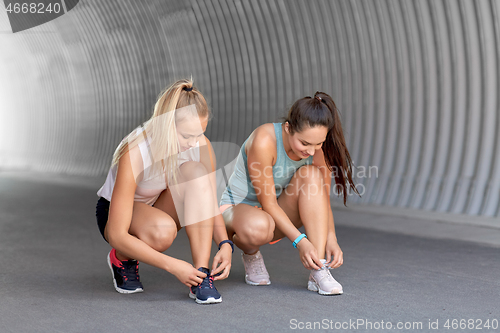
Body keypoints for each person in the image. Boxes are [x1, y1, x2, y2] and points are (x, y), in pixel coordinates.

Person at [95, 79, 233, 304]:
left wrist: (225, 244)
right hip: (117, 214)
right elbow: (116, 234)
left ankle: (201, 275)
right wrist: (173, 265)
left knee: (197, 173)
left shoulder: (200, 144)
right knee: (162, 232)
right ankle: (122, 259)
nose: (193, 142)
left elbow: (207, 202)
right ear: (166, 126)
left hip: (157, 204)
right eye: (186, 136)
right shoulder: (137, 149)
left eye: (199, 134)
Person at [219, 91, 358, 295]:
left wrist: (331, 238)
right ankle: (251, 254)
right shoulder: (264, 140)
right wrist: (300, 241)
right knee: (258, 226)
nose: (311, 151)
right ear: (288, 128)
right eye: (304, 143)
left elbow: (321, 200)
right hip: (239, 211)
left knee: (312, 175)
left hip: (276, 214)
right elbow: (268, 204)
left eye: (318, 143)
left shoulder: (319, 150)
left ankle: (318, 269)